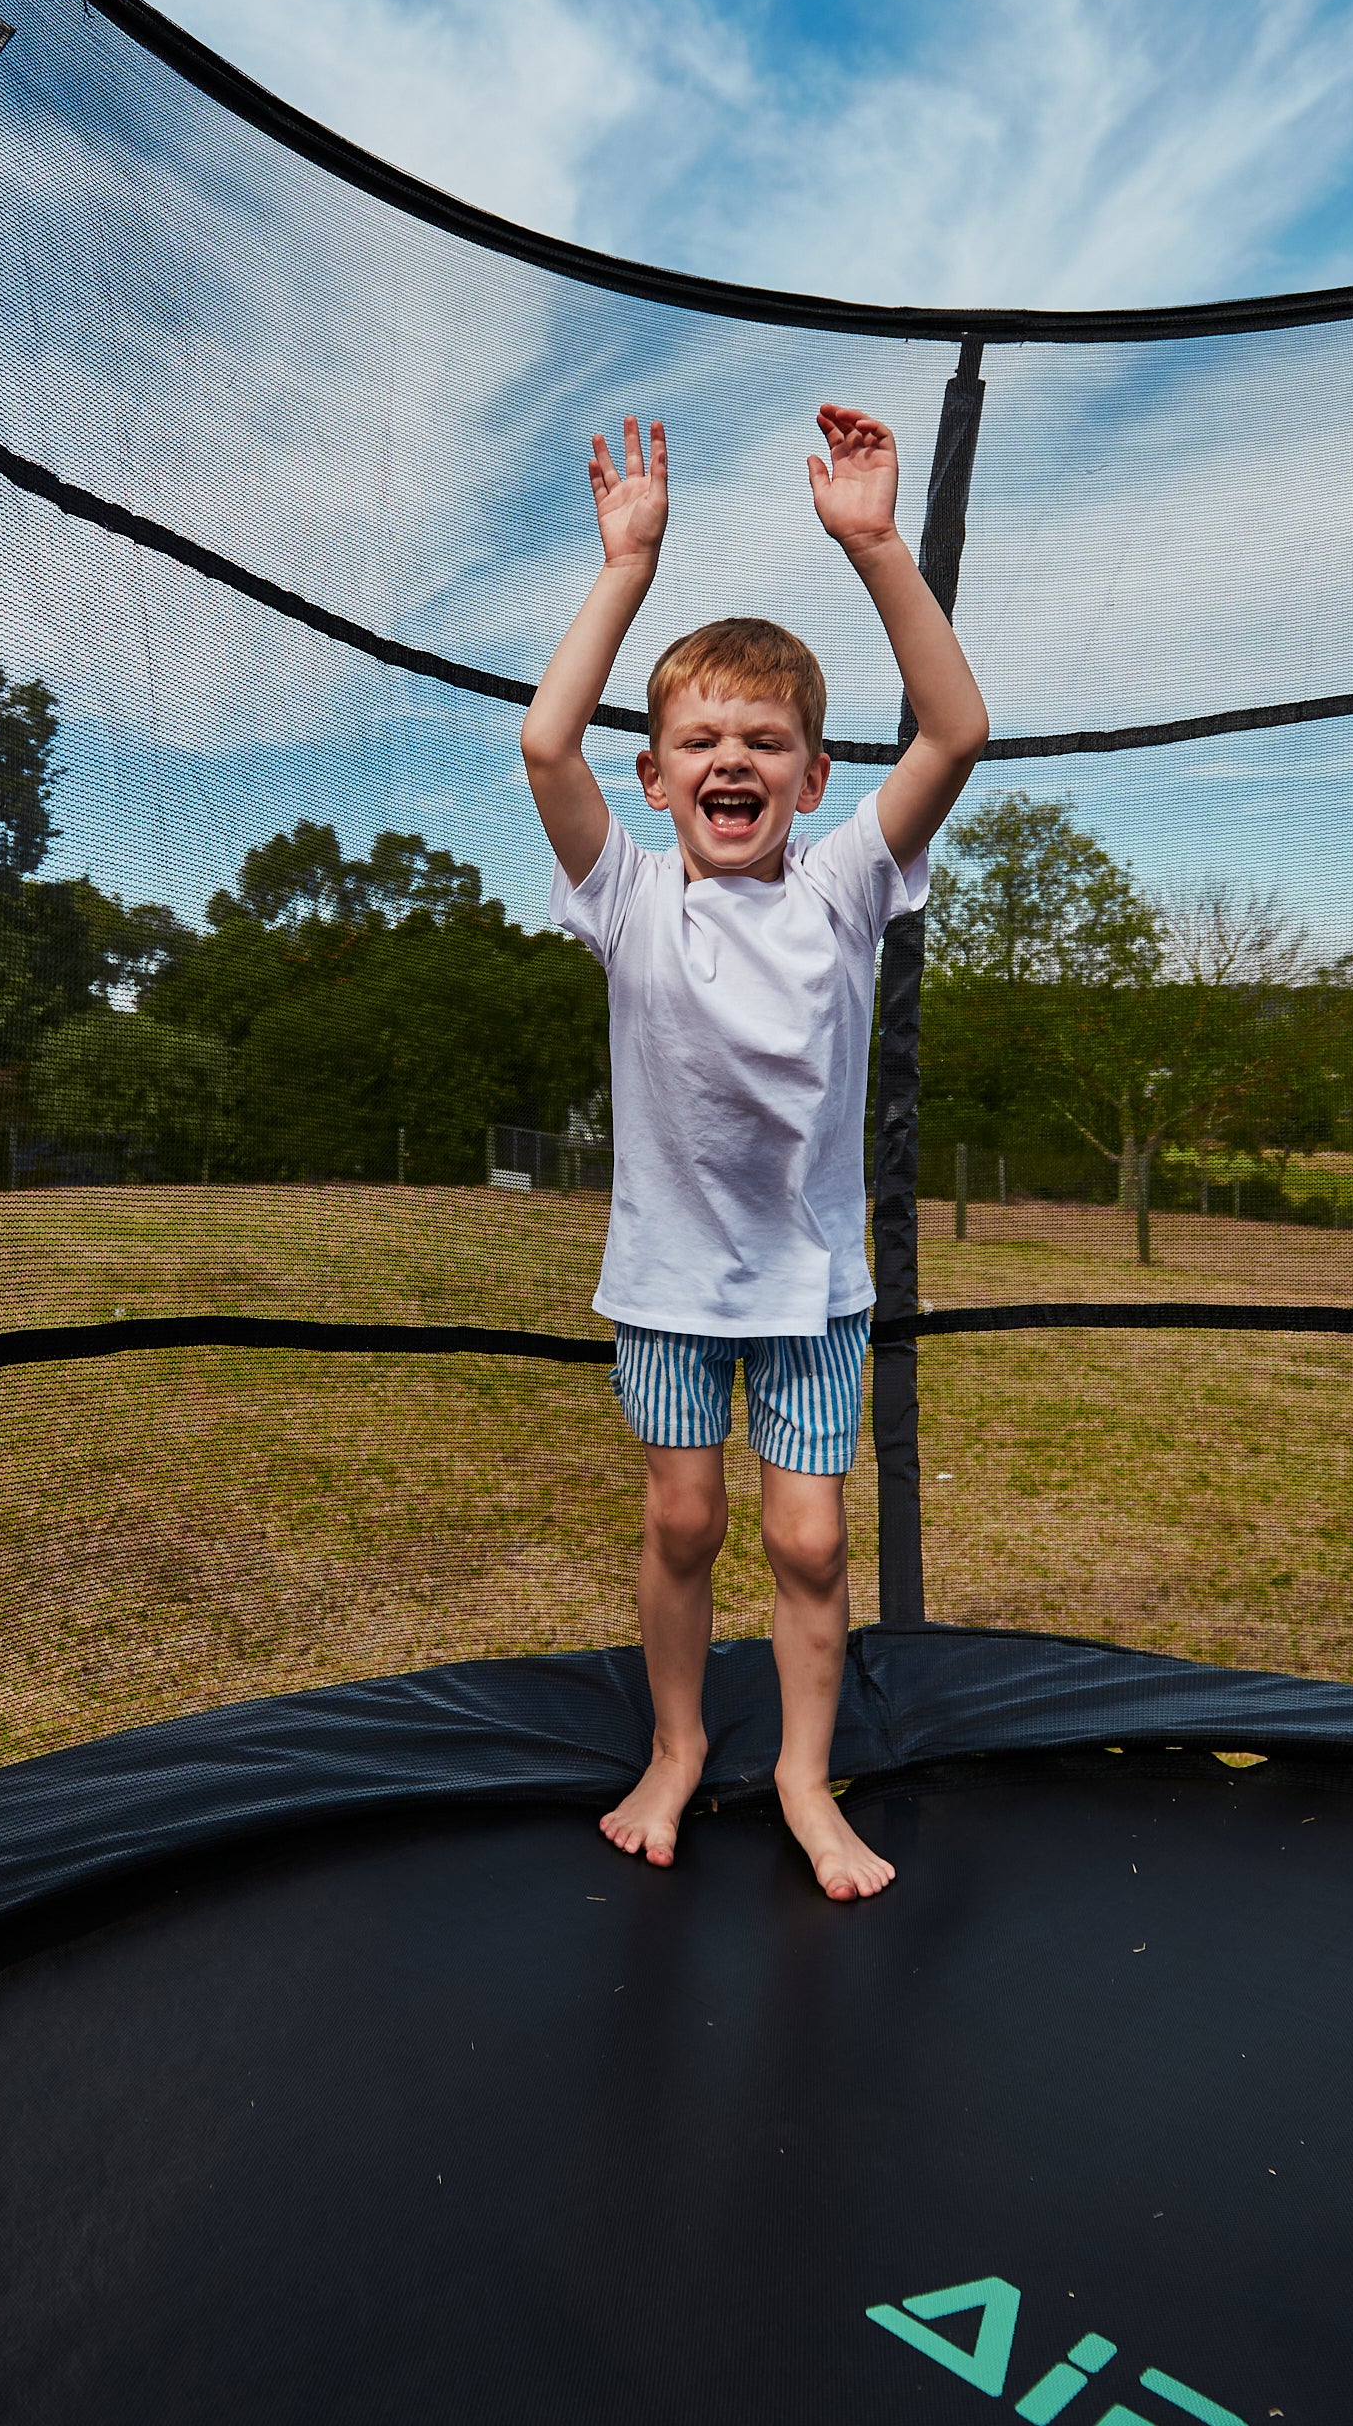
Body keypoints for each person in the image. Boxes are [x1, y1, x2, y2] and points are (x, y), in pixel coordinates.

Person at [520, 403, 988, 1900]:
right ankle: (673, 1749)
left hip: (809, 1290)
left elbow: (958, 730)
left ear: (808, 777)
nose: (733, 757)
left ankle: (800, 1770)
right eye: (701, 741)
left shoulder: (846, 890)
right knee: (683, 1513)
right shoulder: (629, 895)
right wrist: (628, 567)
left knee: (800, 1540)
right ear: (656, 779)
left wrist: (874, 546)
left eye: (765, 742)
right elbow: (546, 739)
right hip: (664, 1283)